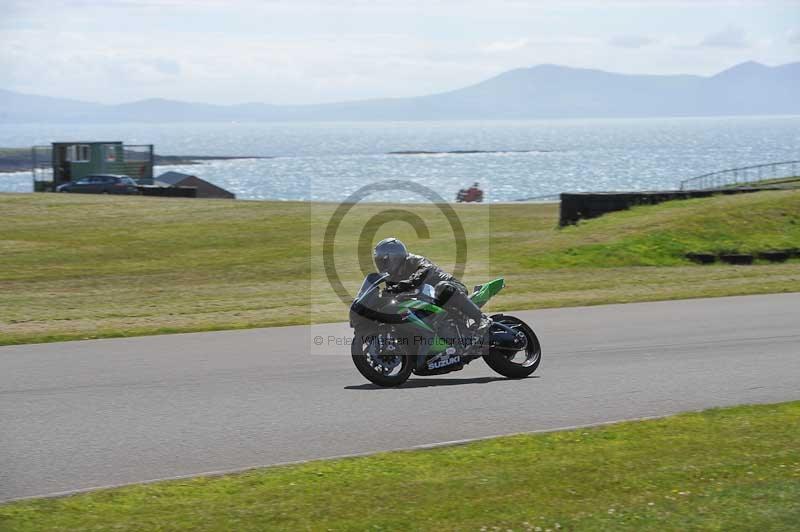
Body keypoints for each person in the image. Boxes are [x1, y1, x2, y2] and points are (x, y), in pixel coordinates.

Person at [372, 237, 492, 346]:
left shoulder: (415, 261)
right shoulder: (391, 277)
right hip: (429, 301)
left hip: (452, 291)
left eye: (384, 261)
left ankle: (481, 319)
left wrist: (400, 287)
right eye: (379, 261)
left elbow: (419, 277)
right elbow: (392, 296)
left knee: (442, 287)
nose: (382, 265)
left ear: (395, 257)